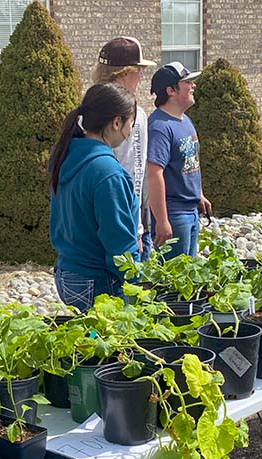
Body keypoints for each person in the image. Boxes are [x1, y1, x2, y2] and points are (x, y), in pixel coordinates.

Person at [49, 83, 140, 312]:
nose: (130, 132)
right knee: (109, 344)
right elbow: (118, 240)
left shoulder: (67, 153)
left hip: (68, 274)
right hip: (96, 281)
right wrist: (138, 284)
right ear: (116, 123)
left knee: (88, 338)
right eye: (131, 124)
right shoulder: (107, 172)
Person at [92, 37, 156, 259]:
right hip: (121, 228)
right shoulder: (122, 116)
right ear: (123, 73)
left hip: (122, 223)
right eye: (139, 70)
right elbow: (127, 174)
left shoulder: (138, 115)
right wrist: (135, 231)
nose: (141, 77)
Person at [147, 62, 211, 259]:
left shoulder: (184, 120)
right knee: (174, 281)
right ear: (170, 90)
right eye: (187, 82)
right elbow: (153, 174)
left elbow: (189, 162)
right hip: (175, 215)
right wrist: (162, 220)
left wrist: (198, 194)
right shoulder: (159, 127)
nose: (194, 86)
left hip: (191, 210)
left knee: (188, 274)